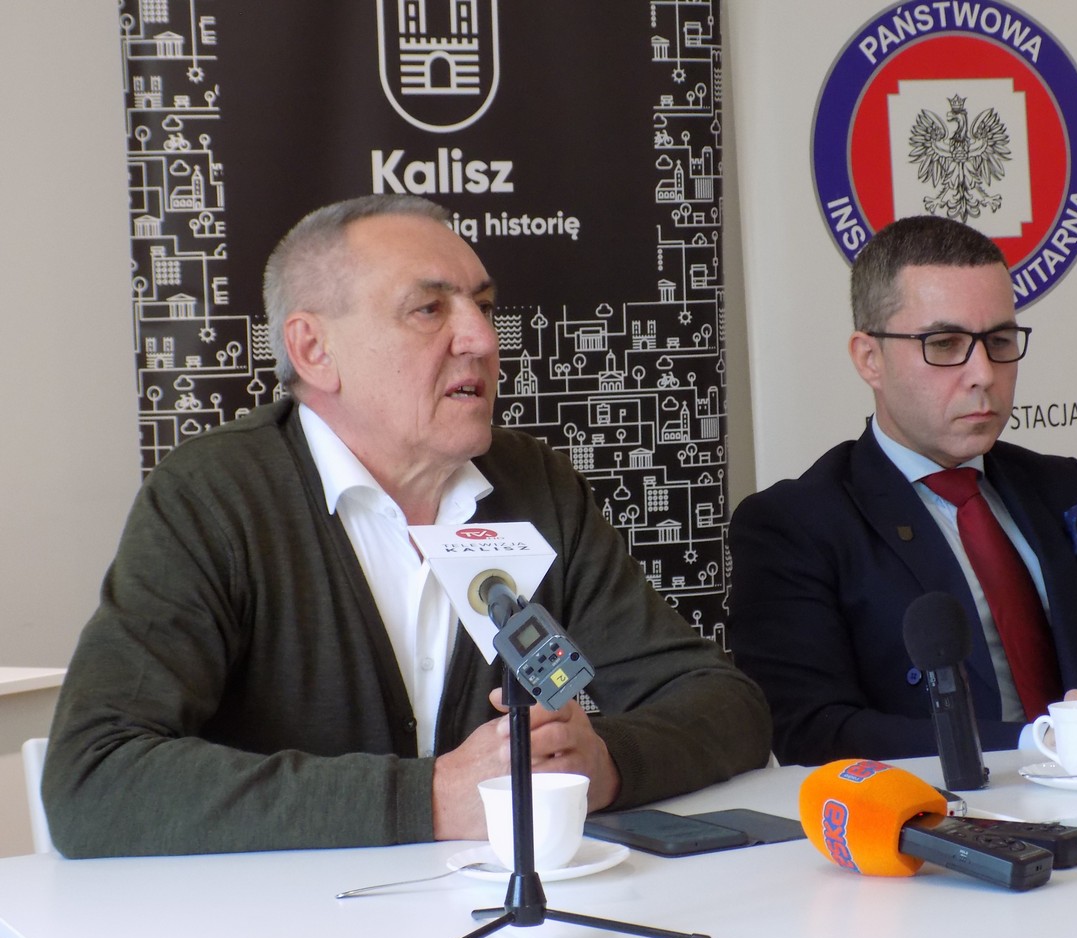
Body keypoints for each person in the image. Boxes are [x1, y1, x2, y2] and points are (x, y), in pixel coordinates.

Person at [43, 194, 771, 858]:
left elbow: (725, 704)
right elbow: (94, 779)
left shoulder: (536, 487)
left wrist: (605, 762)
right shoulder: (212, 497)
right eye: (429, 310)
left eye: (483, 306)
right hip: (289, 928)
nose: (481, 338)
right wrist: (432, 799)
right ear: (313, 350)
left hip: (504, 923)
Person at [727, 215, 1077, 766]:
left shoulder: (1061, 489)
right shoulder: (795, 524)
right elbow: (811, 732)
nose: (983, 373)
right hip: (941, 811)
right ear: (869, 358)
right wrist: (1042, 741)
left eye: (999, 341)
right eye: (945, 344)